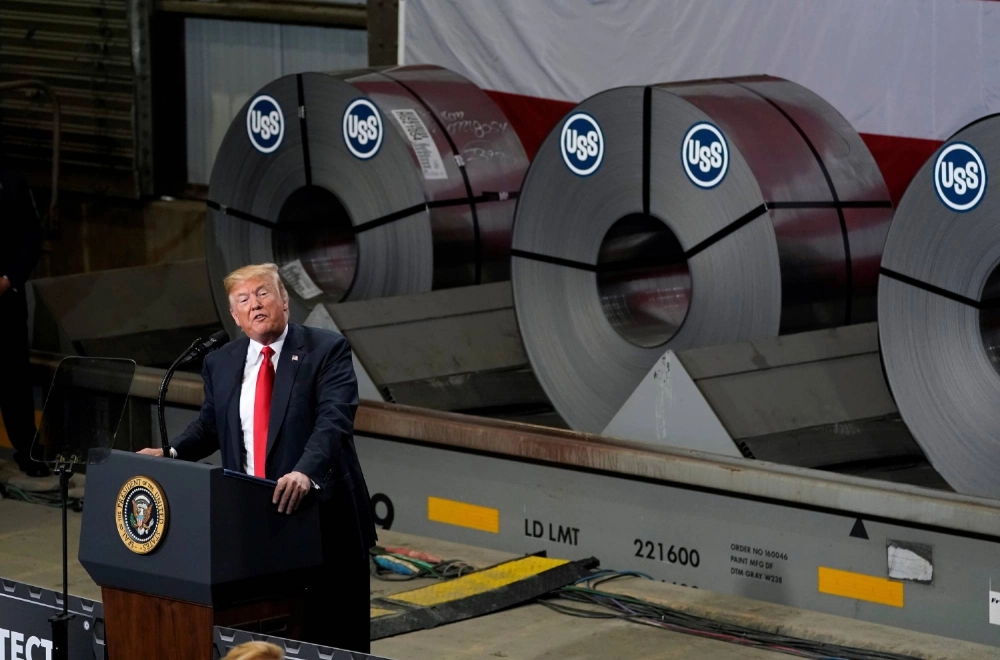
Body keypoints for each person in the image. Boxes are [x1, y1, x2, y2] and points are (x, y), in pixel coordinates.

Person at [139, 263, 376, 652]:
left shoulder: (325, 350)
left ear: (284, 300)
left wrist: (304, 471)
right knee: (268, 635)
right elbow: (211, 426)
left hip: (321, 522)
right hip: (253, 525)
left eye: (263, 293)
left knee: (333, 638)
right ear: (234, 315)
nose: (256, 305)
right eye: (244, 300)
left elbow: (333, 422)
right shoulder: (221, 362)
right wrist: (172, 451)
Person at [0, 171, 46, 477]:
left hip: (6, 303)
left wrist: (7, 280)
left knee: (14, 380)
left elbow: (32, 239)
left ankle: (28, 452)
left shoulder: (13, 184)